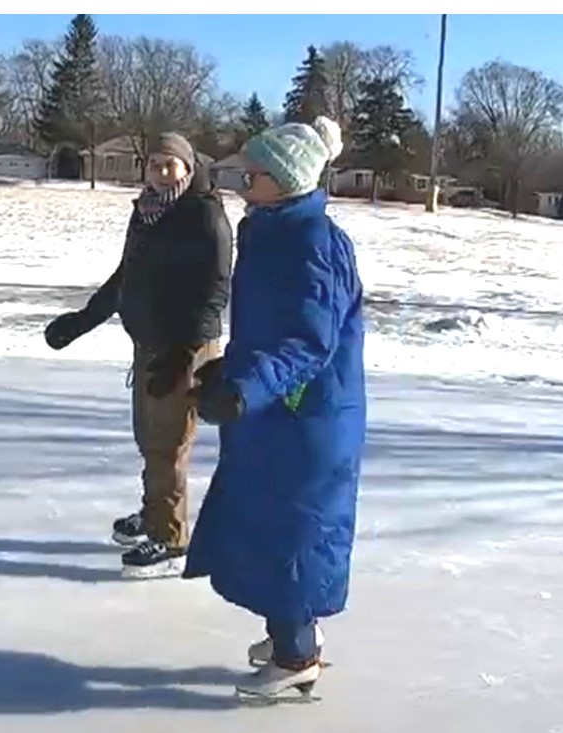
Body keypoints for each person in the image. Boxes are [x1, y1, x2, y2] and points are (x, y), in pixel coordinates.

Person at [183, 116, 366, 703]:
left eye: (252, 174)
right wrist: (228, 372)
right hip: (274, 409)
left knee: (292, 533)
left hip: (308, 416)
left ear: (284, 180)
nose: (242, 183)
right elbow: (267, 328)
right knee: (264, 526)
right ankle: (291, 635)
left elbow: (310, 342)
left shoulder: (314, 242)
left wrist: (247, 386)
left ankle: (295, 653)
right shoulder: (270, 230)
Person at [42, 133, 233, 579]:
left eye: (171, 165)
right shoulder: (147, 212)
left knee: (168, 445)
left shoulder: (204, 215)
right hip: (148, 342)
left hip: (184, 345)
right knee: (150, 438)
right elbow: (128, 275)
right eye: (154, 164)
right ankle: (154, 516)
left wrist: (185, 355)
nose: (162, 172)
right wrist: (83, 320)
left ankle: (170, 541)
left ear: (187, 168)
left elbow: (214, 292)